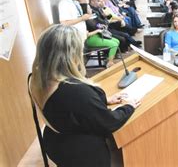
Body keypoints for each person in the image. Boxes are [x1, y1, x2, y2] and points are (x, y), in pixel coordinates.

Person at [29, 24, 140, 166]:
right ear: (70, 54)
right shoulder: (75, 90)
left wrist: (103, 100)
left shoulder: (38, 78)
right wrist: (129, 106)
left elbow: (66, 108)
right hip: (82, 155)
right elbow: (108, 122)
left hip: (56, 142)